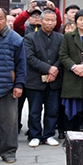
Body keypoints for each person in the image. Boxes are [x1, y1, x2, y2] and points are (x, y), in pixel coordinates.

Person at [23, 10, 63, 147]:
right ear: (40, 20)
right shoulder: (30, 37)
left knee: (52, 110)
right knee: (34, 110)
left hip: (54, 79)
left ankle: (49, 134)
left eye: (53, 20)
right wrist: (48, 68)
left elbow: (62, 56)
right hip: (35, 79)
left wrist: (55, 68)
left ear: (56, 22)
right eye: (47, 20)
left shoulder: (60, 38)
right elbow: (29, 58)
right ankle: (35, 134)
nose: (50, 23)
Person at [0, 7, 26, 164]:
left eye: (0, 18)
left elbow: (21, 64)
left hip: (6, 86)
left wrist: (19, 84)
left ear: (5, 19)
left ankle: (8, 152)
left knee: (9, 122)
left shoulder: (15, 39)